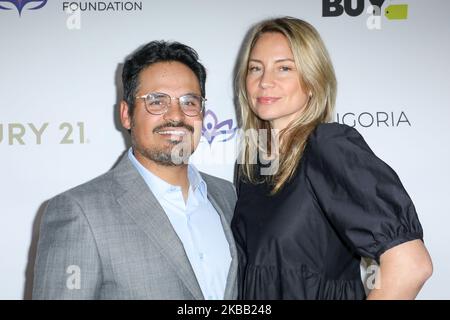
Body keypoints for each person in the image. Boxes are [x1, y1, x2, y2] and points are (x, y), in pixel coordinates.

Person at [231, 17, 433, 300]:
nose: (265, 82)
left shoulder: (327, 146)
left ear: (312, 80)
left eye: (285, 68)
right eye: (255, 68)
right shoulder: (250, 167)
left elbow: (411, 265)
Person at [32, 41, 238, 299]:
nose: (175, 115)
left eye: (189, 101)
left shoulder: (227, 196)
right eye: (156, 101)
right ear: (127, 114)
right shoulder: (80, 213)